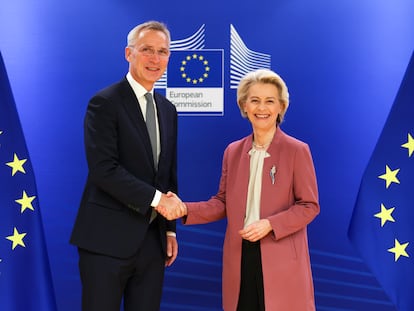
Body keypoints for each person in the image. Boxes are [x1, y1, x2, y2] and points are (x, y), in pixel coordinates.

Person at [156, 68, 320, 311]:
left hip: (282, 258)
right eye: (254, 100)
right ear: (244, 106)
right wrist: (183, 209)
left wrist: (271, 224)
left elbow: (309, 206)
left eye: (269, 101)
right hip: (240, 257)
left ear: (281, 107)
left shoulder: (297, 150)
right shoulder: (233, 152)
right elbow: (222, 203)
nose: (261, 108)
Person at [70, 21, 184, 311]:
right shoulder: (105, 103)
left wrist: (169, 230)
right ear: (128, 53)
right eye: (147, 50)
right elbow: (104, 169)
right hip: (106, 242)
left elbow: (166, 173)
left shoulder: (168, 110)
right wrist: (159, 201)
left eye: (163, 52)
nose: (155, 59)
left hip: (152, 243)